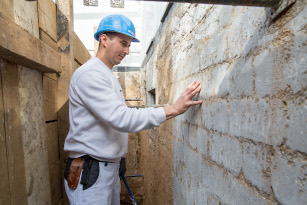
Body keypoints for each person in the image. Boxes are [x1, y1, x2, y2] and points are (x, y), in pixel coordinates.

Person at [63, 14, 202, 205]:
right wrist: (173, 109)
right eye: (123, 43)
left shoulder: (105, 74)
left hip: (106, 168)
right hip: (91, 171)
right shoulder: (90, 75)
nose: (127, 51)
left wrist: (118, 159)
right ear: (104, 39)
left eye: (129, 45)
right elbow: (121, 118)